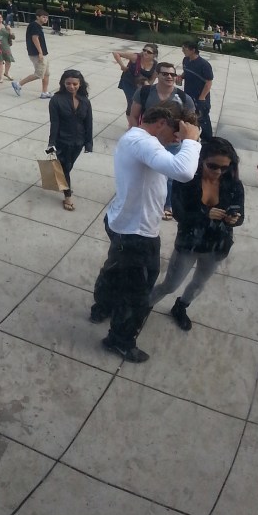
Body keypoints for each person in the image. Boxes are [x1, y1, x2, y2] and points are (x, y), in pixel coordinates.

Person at [91, 101, 201, 363]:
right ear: (161, 123)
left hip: (123, 222)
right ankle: (119, 341)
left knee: (115, 268)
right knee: (138, 292)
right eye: (175, 134)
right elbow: (184, 171)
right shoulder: (144, 143)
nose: (176, 140)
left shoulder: (137, 139)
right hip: (137, 233)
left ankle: (102, 306)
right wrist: (192, 141)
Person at [150, 137, 244, 331]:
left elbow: (240, 214)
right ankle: (142, 306)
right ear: (201, 160)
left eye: (225, 168)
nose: (219, 172)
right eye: (213, 166)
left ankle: (181, 306)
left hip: (218, 245)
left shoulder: (233, 184)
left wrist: (235, 218)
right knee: (170, 284)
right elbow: (178, 213)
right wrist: (204, 214)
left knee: (199, 283)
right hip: (190, 244)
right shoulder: (187, 180)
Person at [130, 60, 196, 220]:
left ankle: (168, 204)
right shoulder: (144, 92)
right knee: (143, 172)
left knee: (170, 177)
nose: (169, 76)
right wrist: (135, 133)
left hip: (172, 143)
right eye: (165, 73)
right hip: (148, 141)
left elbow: (192, 123)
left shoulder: (183, 97)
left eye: (172, 74)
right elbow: (133, 114)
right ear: (157, 75)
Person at [46, 69, 93, 211]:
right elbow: (54, 123)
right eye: (68, 83)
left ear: (80, 84)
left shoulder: (85, 101)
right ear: (63, 83)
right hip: (62, 140)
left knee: (68, 166)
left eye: (74, 84)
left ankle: (63, 183)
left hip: (78, 142)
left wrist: (88, 143)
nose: (71, 86)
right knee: (65, 167)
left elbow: (89, 122)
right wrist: (51, 144)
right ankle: (67, 196)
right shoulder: (56, 100)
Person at [112, 44, 159, 121]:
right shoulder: (135, 57)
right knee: (132, 102)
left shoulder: (155, 66)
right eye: (144, 50)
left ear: (154, 55)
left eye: (149, 52)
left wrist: (146, 87)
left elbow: (151, 81)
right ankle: (131, 123)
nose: (145, 53)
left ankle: (135, 120)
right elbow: (115, 53)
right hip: (128, 82)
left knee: (139, 104)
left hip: (141, 86)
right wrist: (122, 66)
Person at [12, 8, 51, 99]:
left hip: (42, 53)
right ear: (38, 17)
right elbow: (35, 38)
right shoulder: (35, 26)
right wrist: (40, 52)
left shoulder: (38, 26)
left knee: (46, 73)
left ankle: (44, 92)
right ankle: (18, 84)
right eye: (43, 17)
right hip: (37, 54)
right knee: (39, 74)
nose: (45, 19)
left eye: (46, 17)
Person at [179, 42, 214, 141]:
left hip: (200, 96)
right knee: (189, 116)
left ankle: (207, 140)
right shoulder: (186, 60)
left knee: (202, 118)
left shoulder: (204, 64)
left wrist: (202, 97)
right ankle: (192, 137)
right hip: (188, 94)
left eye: (185, 49)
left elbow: (208, 82)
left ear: (193, 50)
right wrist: (181, 77)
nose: (183, 51)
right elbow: (186, 72)